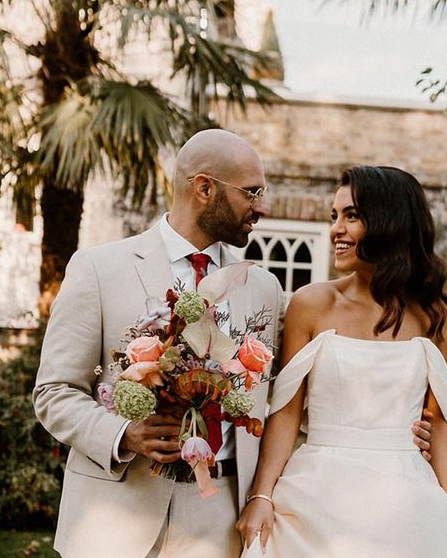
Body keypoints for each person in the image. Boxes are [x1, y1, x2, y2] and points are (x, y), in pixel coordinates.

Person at [33, 129, 286, 558]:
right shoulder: (98, 269)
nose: (262, 206)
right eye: (251, 192)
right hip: (113, 517)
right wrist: (125, 434)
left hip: (220, 518)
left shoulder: (264, 288)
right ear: (204, 188)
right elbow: (53, 393)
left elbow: (283, 394)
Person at [236, 165, 447, 558]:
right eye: (335, 216)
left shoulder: (435, 316)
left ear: (389, 222)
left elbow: (436, 429)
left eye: (352, 216)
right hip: (316, 497)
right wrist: (262, 495)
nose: (336, 229)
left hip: (407, 500)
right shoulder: (310, 304)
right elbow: (285, 413)